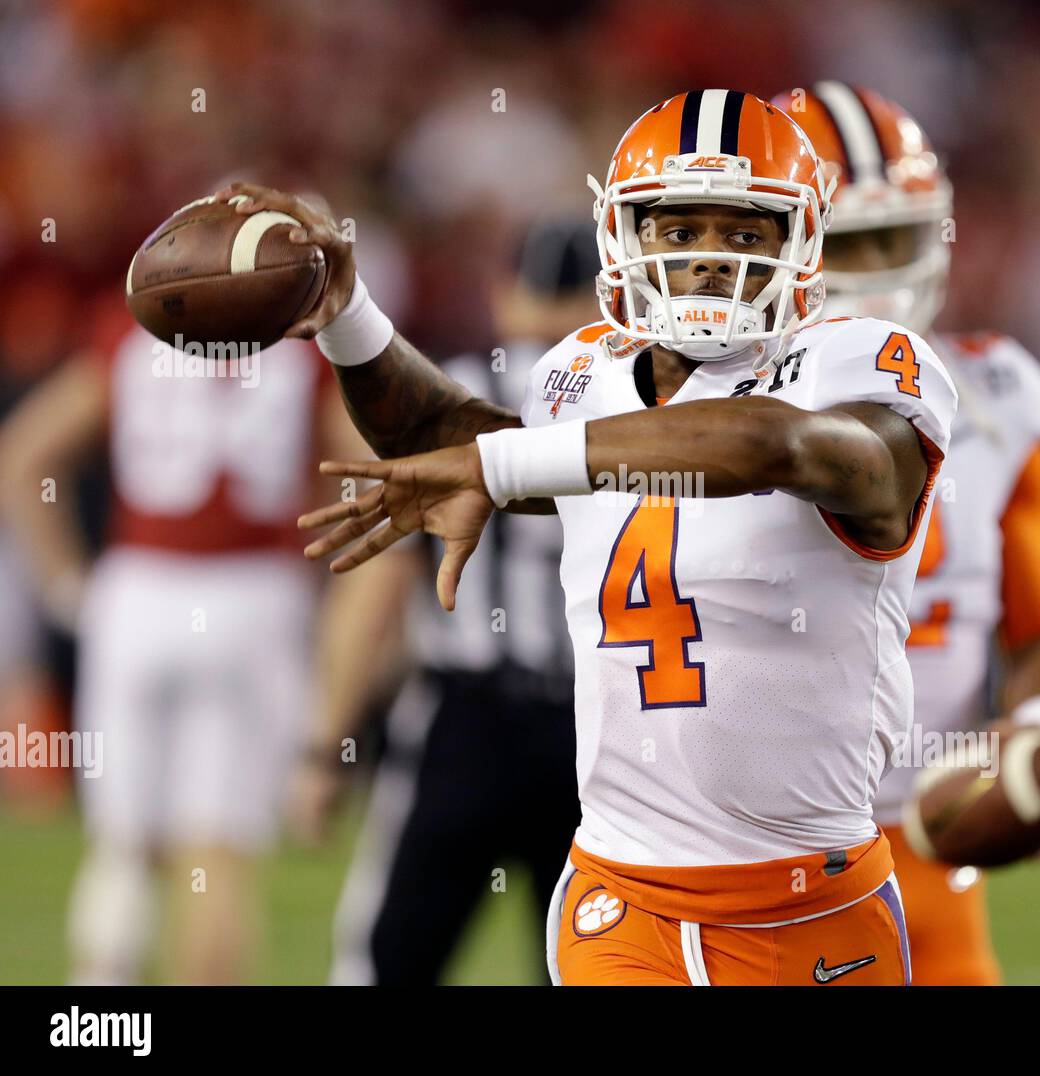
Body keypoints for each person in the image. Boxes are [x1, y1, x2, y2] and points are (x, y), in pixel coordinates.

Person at [216, 89, 958, 986]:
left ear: (804, 242)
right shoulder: (583, 374)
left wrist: (505, 467)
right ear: (621, 235)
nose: (709, 261)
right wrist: (347, 318)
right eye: (677, 233)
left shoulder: (862, 364)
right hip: (619, 901)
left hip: (809, 906)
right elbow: (452, 444)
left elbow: (770, 444)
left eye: (746, 232)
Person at [772, 81, 1040, 985]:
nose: (873, 271)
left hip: (926, 836)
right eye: (847, 243)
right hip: (758, 843)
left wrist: (1036, 731)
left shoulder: (998, 397)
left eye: (891, 237)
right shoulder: (720, 409)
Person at [0, 295, 363, 984]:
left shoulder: (128, 331)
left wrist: (69, 591)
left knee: (123, 845)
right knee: (218, 854)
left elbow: (23, 456)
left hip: (139, 596)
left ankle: (106, 1014)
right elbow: (372, 471)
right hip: (255, 600)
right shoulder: (301, 345)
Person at [304, 218, 597, 984]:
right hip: (598, 730)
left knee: (385, 966)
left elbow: (375, 587)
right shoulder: (642, 409)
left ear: (508, 292)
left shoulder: (453, 393)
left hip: (465, 722)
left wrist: (325, 744)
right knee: (593, 966)